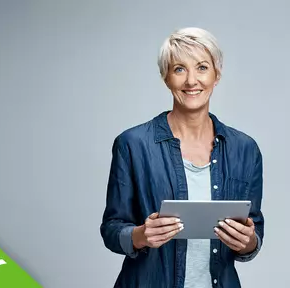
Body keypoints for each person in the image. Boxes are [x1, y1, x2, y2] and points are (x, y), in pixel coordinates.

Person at [100, 27, 264, 288]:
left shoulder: (245, 149)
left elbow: (254, 231)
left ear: (216, 74)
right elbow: (111, 229)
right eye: (179, 69)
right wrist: (140, 235)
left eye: (201, 67)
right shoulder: (132, 144)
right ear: (166, 77)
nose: (191, 81)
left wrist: (248, 241)